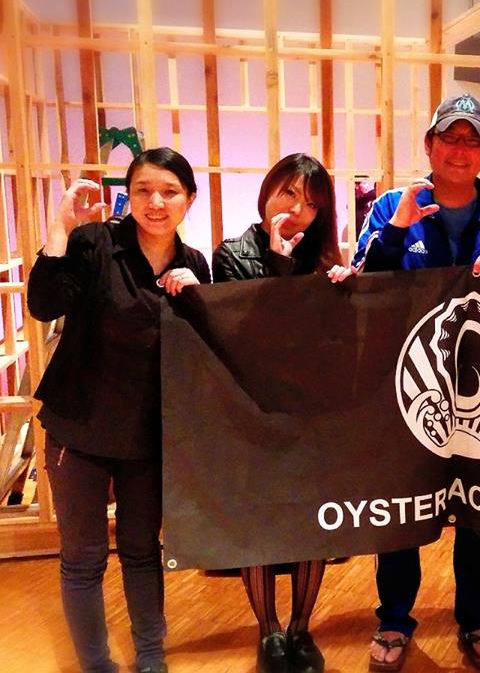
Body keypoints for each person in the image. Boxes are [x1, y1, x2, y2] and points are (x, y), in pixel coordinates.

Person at [353, 92, 480, 671]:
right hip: (408, 394)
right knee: (402, 509)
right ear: (429, 144)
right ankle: (393, 619)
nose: (460, 150)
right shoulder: (393, 205)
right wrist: (396, 231)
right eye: (450, 138)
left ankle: (479, 618)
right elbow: (360, 285)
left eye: (472, 140)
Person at [27, 148, 210, 673]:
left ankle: (151, 657)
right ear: (128, 195)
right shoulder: (95, 243)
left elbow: (206, 349)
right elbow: (43, 305)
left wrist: (200, 296)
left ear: (189, 199)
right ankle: (96, 664)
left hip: (148, 434)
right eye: (144, 190)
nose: (156, 202)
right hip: (79, 427)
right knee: (83, 558)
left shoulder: (195, 264)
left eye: (169, 191)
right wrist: (60, 230)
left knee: (141, 550)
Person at [212, 153, 349, 673]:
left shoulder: (326, 259)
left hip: (311, 414)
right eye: (288, 194)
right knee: (260, 523)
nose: (297, 210)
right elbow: (247, 333)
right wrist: (277, 261)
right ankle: (268, 631)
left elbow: (335, 340)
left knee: (312, 523)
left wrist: (348, 293)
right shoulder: (233, 253)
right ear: (268, 191)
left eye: (311, 203)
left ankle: (301, 628)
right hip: (253, 411)